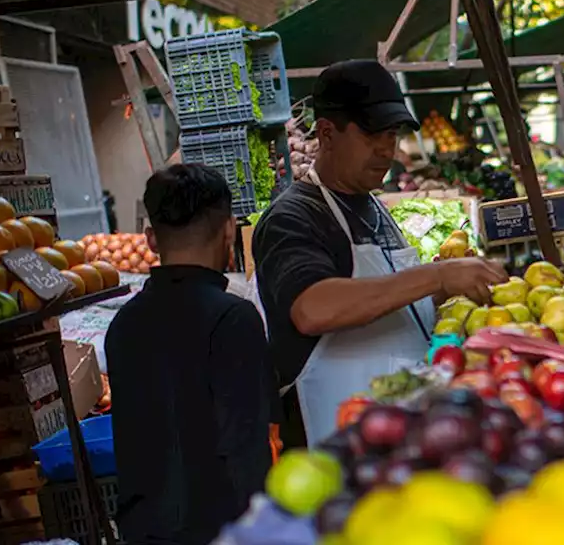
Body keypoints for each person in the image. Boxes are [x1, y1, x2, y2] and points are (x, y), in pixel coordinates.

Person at [252, 60, 508, 448]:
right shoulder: (293, 217)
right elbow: (312, 308)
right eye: (373, 135)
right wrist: (435, 277)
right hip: (334, 447)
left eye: (392, 135)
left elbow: (383, 303)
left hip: (399, 437)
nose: (387, 149)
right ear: (327, 133)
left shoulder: (373, 207)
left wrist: (439, 296)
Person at [107, 164, 274, 544]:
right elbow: (246, 451)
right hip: (221, 531)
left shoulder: (124, 325)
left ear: (150, 239)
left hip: (144, 531)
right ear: (230, 229)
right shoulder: (234, 318)